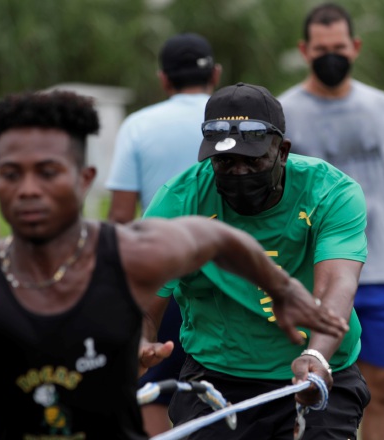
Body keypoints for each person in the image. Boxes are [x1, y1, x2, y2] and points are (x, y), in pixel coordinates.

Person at [0, 90, 349, 440]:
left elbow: (218, 238)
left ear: (85, 179)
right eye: (12, 174)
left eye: (48, 172)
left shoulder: (131, 252)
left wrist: (284, 291)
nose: (28, 189)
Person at [144, 82, 370, 439]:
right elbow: (143, 298)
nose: (239, 173)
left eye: (253, 161)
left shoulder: (331, 191)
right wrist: (139, 340)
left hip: (318, 371)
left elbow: (337, 284)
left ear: (283, 151)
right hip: (215, 378)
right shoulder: (179, 200)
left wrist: (317, 356)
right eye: (225, 161)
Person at [278, 4, 384, 440]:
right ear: (304, 49)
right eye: (321, 48)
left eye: (339, 47)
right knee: (307, 389)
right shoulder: (284, 113)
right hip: (312, 279)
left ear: (356, 47)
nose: (331, 55)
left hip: (383, 273)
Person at [105, 32, 221, 435]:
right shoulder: (234, 126)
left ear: (163, 79)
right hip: (228, 281)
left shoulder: (139, 125)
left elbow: (120, 215)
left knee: (153, 387)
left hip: (159, 282)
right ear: (216, 75)